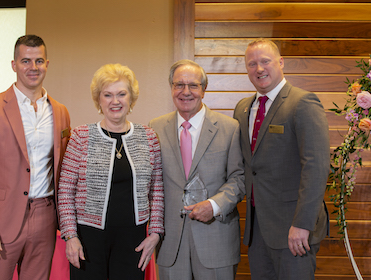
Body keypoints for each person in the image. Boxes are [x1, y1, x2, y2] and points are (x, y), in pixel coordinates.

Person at [0, 34, 71, 279]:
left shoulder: (60, 112)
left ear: (47, 64)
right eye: (25, 61)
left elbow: (62, 168)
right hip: (1, 221)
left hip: (45, 217)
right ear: (14, 65)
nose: (32, 68)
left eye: (38, 61)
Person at [233, 38, 330, 279]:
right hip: (257, 231)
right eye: (252, 63)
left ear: (281, 62)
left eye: (265, 61)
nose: (259, 69)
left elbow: (316, 167)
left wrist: (303, 225)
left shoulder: (303, 103)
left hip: (294, 230)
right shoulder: (243, 108)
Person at [58, 63, 164, 280]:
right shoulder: (80, 137)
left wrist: (155, 233)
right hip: (87, 240)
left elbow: (157, 191)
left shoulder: (149, 137)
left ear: (131, 98)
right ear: (99, 99)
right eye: (107, 95)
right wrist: (70, 236)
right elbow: (65, 191)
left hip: (133, 240)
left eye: (121, 94)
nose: (115, 101)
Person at [149, 59, 245, 280]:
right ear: (171, 88)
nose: (186, 92)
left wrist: (214, 205)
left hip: (216, 240)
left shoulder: (229, 128)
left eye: (193, 85)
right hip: (170, 243)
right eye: (178, 85)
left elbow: (238, 178)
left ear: (204, 89)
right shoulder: (155, 127)